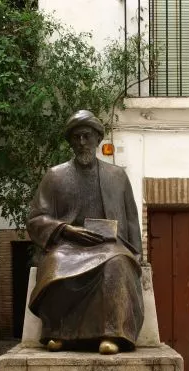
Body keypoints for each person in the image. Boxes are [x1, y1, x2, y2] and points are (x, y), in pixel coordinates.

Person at [26, 110, 144, 355]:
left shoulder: (117, 176)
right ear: (70, 141)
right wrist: (66, 229)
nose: (81, 142)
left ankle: (112, 333)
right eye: (76, 137)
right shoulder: (55, 175)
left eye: (86, 137)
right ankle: (57, 333)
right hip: (68, 245)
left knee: (118, 264)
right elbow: (36, 218)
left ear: (97, 139)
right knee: (55, 264)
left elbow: (131, 217)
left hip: (109, 244)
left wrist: (138, 252)